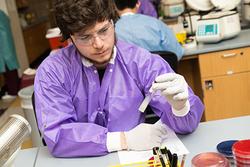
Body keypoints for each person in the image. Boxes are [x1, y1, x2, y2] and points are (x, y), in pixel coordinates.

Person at [34, 0, 204, 157]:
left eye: (104, 30)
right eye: (85, 37)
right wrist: (123, 140)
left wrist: (181, 108)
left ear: (113, 22)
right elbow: (56, 135)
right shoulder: (52, 72)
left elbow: (186, 126)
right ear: (69, 38)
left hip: (134, 158)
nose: (99, 44)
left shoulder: (141, 61)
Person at [114, 0, 184, 61]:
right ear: (138, 3)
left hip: (130, 75)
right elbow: (177, 53)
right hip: (161, 74)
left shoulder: (113, 30)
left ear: (115, 7)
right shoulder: (156, 24)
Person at [0, 10, 20, 100]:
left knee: (8, 67)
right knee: (10, 66)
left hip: (3, 43)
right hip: (6, 42)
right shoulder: (1, 13)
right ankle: (14, 90)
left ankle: (13, 92)